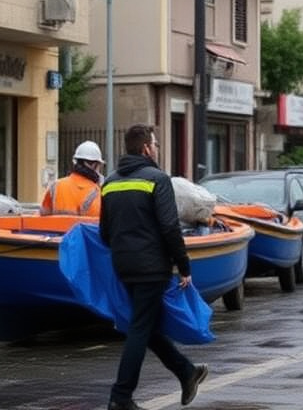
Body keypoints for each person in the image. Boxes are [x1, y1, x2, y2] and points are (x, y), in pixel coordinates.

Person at [99, 124, 208, 410]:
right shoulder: (158, 179)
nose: (157, 149)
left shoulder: (110, 182)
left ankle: (187, 373)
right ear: (147, 148)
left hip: (124, 266)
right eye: (156, 144)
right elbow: (170, 227)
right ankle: (120, 397)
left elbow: (104, 233)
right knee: (140, 328)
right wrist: (184, 265)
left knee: (147, 325)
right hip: (152, 267)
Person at [40, 140, 105, 217]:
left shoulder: (56, 186)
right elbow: (97, 221)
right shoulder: (96, 192)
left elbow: (43, 215)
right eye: (99, 166)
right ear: (93, 165)